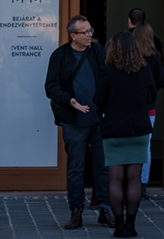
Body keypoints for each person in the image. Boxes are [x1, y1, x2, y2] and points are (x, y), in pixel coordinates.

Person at [45, 15, 116, 230]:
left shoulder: (98, 51)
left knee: (103, 167)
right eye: (85, 32)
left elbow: (108, 78)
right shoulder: (60, 55)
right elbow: (51, 87)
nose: (90, 35)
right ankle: (76, 211)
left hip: (99, 120)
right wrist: (71, 101)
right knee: (75, 169)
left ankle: (105, 209)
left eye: (90, 30)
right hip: (74, 120)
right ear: (72, 35)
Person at [94, 31, 156, 238]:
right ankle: (132, 226)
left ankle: (119, 227)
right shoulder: (145, 71)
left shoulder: (107, 72)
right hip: (138, 128)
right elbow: (152, 96)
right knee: (134, 178)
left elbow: (98, 99)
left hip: (113, 129)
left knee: (115, 178)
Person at [132, 22, 164, 200]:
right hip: (148, 108)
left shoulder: (128, 56)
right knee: (146, 147)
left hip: (128, 107)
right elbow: (162, 80)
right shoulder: (154, 56)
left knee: (128, 145)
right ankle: (142, 185)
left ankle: (128, 183)